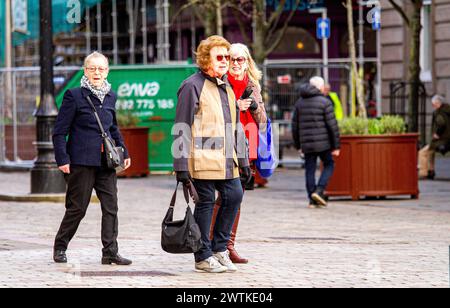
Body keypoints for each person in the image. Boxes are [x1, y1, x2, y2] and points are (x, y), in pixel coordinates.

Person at [173, 36, 251, 273]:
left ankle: (219, 249)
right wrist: (180, 165)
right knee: (206, 203)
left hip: (228, 159)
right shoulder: (192, 85)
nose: (225, 61)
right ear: (206, 59)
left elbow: (235, 126)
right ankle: (202, 256)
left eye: (227, 57)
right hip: (202, 158)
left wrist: (244, 160)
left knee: (235, 195)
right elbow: (181, 126)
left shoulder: (226, 86)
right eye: (220, 57)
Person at [52, 52, 132, 265]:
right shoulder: (74, 95)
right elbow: (60, 131)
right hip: (80, 162)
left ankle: (110, 252)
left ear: (107, 71)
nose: (97, 73)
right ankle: (60, 245)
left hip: (105, 163)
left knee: (111, 206)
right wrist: (62, 159)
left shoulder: (111, 96)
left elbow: (112, 127)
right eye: (92, 68)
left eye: (101, 69)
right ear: (85, 70)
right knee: (78, 208)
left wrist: (124, 151)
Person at [209, 43, 268, 265]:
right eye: (231, 59)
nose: (235, 63)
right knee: (222, 196)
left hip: (246, 148)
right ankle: (213, 243)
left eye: (240, 59)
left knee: (236, 197)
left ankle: (228, 245)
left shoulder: (253, 85)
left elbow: (262, 123)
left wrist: (252, 107)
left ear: (247, 62)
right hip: (223, 145)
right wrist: (235, 106)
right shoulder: (218, 82)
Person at [292, 77, 341, 208]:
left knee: (310, 170)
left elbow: (294, 126)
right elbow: (332, 125)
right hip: (324, 143)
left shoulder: (299, 103)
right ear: (320, 87)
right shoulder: (325, 102)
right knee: (329, 164)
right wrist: (336, 146)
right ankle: (319, 191)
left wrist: (298, 145)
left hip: (307, 144)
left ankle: (312, 200)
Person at [418, 95, 450, 180]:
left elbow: (441, 123)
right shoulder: (447, 110)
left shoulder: (439, 112)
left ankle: (423, 172)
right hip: (447, 140)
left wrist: (437, 134)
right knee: (430, 152)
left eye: (433, 104)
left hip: (441, 140)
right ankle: (431, 171)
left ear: (438, 103)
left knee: (422, 152)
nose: (433, 106)